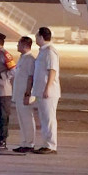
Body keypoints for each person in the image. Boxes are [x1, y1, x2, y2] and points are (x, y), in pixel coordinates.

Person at [31, 26, 60, 154]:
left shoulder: (50, 51)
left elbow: (52, 70)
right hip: (41, 91)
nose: (35, 38)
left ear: (42, 37)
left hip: (48, 92)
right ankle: (46, 143)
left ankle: (51, 145)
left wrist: (47, 88)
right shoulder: (43, 51)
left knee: (49, 119)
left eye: (37, 36)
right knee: (44, 119)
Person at [12, 36, 36, 153]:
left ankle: (30, 143)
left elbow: (31, 77)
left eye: (19, 44)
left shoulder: (30, 59)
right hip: (18, 94)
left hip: (24, 94)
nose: (17, 46)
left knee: (27, 119)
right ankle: (24, 142)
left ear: (25, 45)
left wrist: (28, 94)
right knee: (22, 120)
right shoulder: (22, 57)